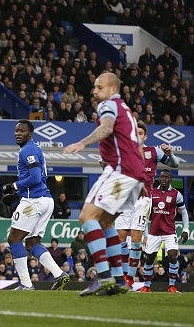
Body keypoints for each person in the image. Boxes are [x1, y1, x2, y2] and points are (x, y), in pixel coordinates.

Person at [63, 72, 145, 296]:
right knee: (107, 222)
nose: (94, 91)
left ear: (112, 89)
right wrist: (142, 180)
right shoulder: (127, 110)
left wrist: (82, 143)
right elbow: (137, 146)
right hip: (134, 172)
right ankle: (119, 280)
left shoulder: (107, 105)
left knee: (87, 217)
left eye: (99, 87)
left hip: (119, 169)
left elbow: (107, 127)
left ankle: (103, 276)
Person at [3, 119, 70, 291]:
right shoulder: (35, 148)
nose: (18, 133)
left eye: (22, 131)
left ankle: (26, 284)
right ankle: (59, 274)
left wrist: (14, 186)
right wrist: (16, 195)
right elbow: (39, 179)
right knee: (31, 244)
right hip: (46, 200)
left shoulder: (28, 150)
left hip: (34, 202)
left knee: (13, 239)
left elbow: (34, 177)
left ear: (30, 134)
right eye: (16, 131)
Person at [117, 121, 179, 287]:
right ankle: (122, 276)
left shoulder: (154, 151)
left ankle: (129, 279)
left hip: (143, 200)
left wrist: (171, 154)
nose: (138, 135)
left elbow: (175, 164)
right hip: (125, 199)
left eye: (141, 133)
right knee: (119, 240)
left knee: (136, 239)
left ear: (145, 136)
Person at [138, 170, 190, 293]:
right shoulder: (152, 193)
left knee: (173, 256)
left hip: (170, 232)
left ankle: (172, 286)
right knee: (149, 259)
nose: (163, 179)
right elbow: (146, 213)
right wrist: (144, 233)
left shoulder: (176, 194)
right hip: (154, 232)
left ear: (170, 179)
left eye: (166, 177)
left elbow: (184, 212)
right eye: (161, 177)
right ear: (159, 179)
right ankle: (146, 286)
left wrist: (186, 229)